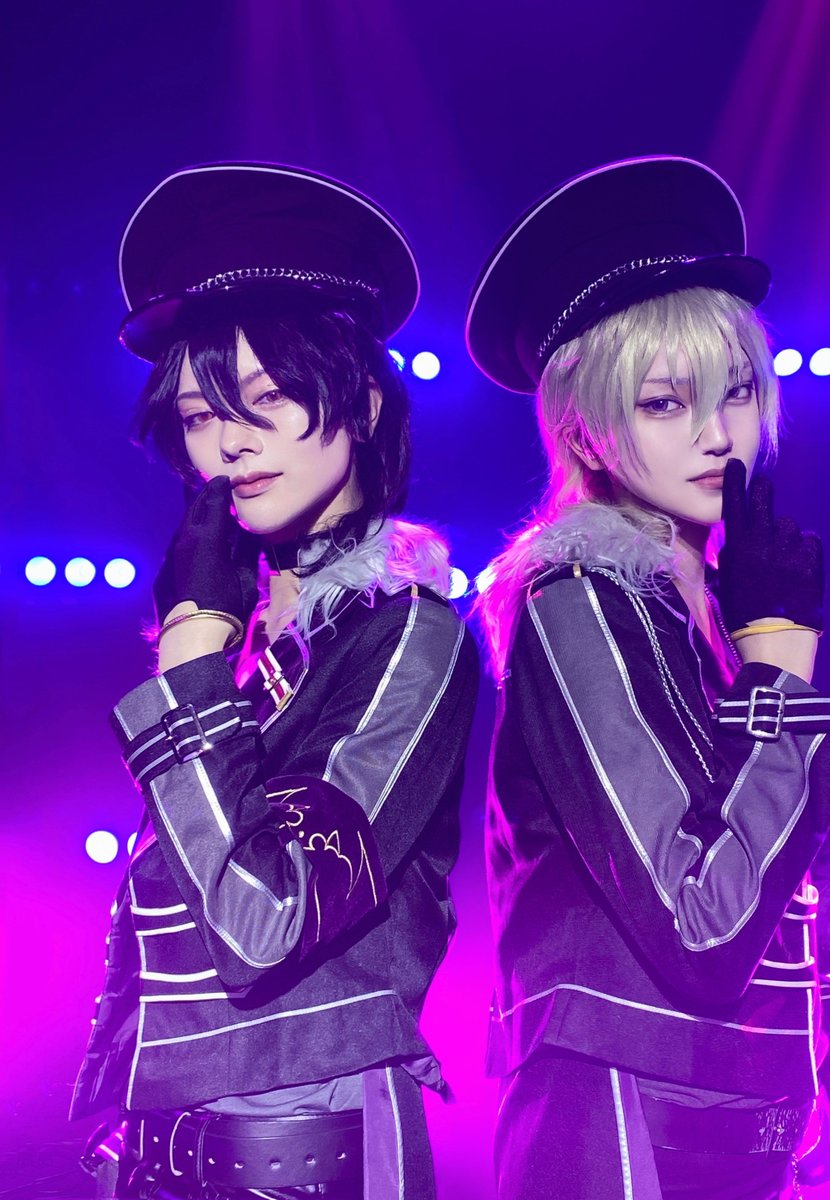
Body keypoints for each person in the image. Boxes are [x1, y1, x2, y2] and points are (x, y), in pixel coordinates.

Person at [465, 157, 830, 1200]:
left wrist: (829, 1047)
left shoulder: (714, 614)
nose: (717, 434)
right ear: (586, 427)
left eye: (737, 390)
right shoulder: (577, 599)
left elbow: (793, 881)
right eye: (663, 401)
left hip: (744, 1117)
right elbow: (705, 918)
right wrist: (782, 662)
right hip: (615, 1120)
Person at [71, 162, 479, 1200]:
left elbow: (266, 919)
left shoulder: (409, 635)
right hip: (163, 1156)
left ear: (365, 404)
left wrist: (191, 660)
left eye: (269, 397)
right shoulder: (245, 649)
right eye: (200, 414)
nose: (231, 441)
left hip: (314, 1148)